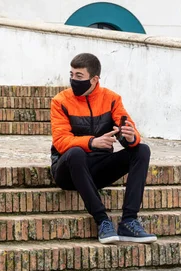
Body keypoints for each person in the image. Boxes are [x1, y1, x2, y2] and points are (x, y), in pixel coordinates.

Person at [50, 53, 157, 244]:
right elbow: (60, 141)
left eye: (79, 76)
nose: (73, 79)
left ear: (94, 79)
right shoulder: (60, 101)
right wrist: (92, 142)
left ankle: (129, 221)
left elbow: (128, 127)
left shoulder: (111, 99)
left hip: (98, 169)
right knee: (75, 153)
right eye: (72, 74)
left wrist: (130, 137)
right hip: (67, 170)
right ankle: (102, 221)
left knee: (142, 150)